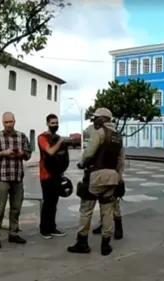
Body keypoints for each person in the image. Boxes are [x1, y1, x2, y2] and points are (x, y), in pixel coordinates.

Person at [67, 107, 125, 256]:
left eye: (96, 118)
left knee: (86, 210)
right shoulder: (118, 136)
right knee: (107, 210)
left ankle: (82, 242)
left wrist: (81, 163)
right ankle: (106, 244)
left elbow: (89, 153)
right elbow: (121, 160)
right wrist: (118, 176)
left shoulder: (99, 133)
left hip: (96, 176)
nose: (94, 120)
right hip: (112, 177)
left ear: (103, 119)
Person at [0, 112, 31, 249]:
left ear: (14, 121)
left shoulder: (21, 136)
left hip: (17, 177)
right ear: (2, 122)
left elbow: (28, 154)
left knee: (16, 207)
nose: (8, 125)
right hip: (2, 177)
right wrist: (2, 153)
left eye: (10, 122)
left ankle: (13, 233)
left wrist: (21, 153)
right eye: (6, 122)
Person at [37, 113, 69, 239]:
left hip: (56, 174)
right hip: (46, 175)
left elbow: (63, 156)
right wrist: (60, 142)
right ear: (47, 124)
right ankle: (44, 229)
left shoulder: (58, 138)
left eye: (56, 123)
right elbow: (50, 152)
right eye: (52, 123)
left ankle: (52, 227)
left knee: (54, 203)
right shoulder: (42, 137)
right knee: (48, 203)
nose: (55, 125)